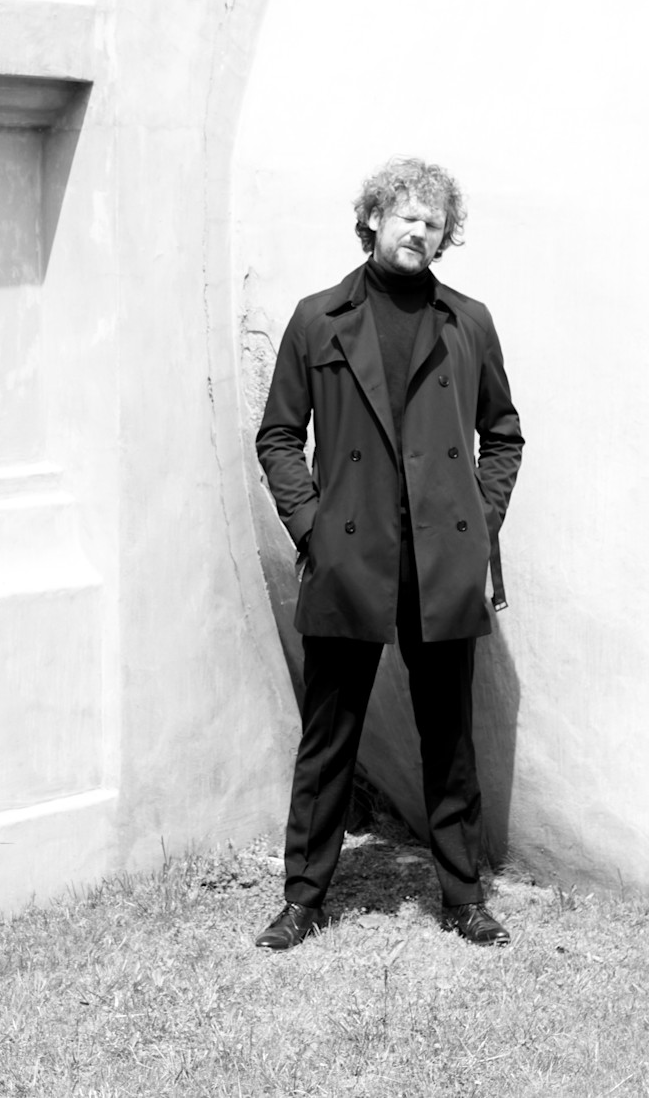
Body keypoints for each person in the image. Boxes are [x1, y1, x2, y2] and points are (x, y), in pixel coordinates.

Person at [255, 157, 523, 950]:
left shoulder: (468, 321)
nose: (420, 230)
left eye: (434, 222)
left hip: (441, 563)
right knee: (329, 736)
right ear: (373, 218)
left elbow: (503, 434)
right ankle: (303, 899)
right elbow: (278, 436)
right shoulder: (318, 318)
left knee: (450, 738)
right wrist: (312, 529)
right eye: (406, 215)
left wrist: (479, 522)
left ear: (445, 237)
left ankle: (464, 897)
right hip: (350, 558)